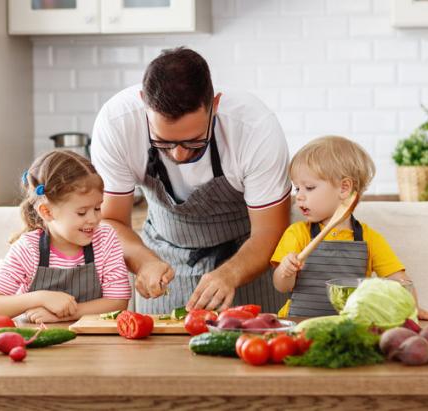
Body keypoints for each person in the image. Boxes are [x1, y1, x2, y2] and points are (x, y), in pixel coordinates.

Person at [90, 47, 292, 314]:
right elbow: (111, 221)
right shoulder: (117, 123)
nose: (179, 154)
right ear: (144, 104)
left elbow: (270, 231)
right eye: (163, 142)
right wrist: (144, 262)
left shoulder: (253, 127)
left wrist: (231, 273)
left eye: (195, 141)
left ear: (215, 106)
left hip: (247, 259)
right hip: (165, 261)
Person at [271, 136, 428, 321]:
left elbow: (399, 280)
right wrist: (285, 271)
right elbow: (282, 286)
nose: (299, 197)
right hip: (300, 323)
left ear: (344, 188)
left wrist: (413, 308)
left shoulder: (369, 238)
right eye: (298, 189)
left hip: (353, 324)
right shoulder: (297, 233)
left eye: (309, 187)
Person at [0, 150, 130, 323]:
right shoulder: (28, 249)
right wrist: (41, 298)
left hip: (95, 344)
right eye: (81, 213)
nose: (94, 219)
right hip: (37, 343)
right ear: (47, 211)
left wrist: (66, 314)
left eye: (97, 208)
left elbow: (118, 302)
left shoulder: (105, 240)